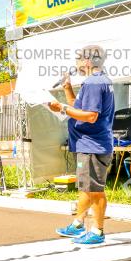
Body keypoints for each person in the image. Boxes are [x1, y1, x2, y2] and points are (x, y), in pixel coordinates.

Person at [48, 44, 115, 245]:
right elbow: (80, 107)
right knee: (86, 187)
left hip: (92, 145)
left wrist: (62, 109)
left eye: (77, 59)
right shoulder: (99, 81)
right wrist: (67, 89)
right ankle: (78, 223)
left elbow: (91, 116)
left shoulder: (94, 83)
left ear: (86, 61)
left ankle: (98, 231)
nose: (75, 63)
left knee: (95, 189)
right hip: (89, 144)